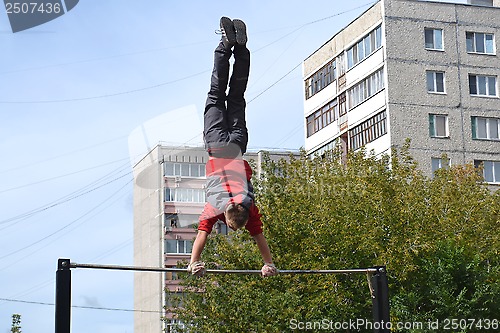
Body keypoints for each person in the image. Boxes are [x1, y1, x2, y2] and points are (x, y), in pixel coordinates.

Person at [187, 17, 278, 278]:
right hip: (216, 143)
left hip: (237, 144)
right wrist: (194, 262)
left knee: (237, 95)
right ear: (227, 217)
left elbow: (260, 238)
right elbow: (201, 237)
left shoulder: (250, 208)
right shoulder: (214, 208)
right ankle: (224, 44)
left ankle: (240, 48)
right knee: (216, 93)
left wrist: (268, 263)